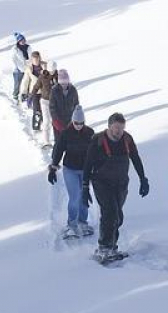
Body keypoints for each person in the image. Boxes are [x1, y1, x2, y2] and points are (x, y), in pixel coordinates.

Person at [82, 112, 149, 257]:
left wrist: (143, 179)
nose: (118, 131)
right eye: (116, 128)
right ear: (109, 126)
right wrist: (85, 187)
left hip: (121, 183)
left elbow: (135, 159)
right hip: (102, 182)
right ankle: (104, 247)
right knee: (110, 212)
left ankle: (112, 246)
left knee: (118, 216)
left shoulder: (127, 139)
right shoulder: (98, 140)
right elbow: (88, 164)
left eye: (121, 128)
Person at [48, 105, 94, 238]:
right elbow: (58, 151)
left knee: (84, 196)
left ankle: (83, 222)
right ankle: (71, 224)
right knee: (75, 197)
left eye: (81, 123)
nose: (79, 125)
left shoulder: (90, 133)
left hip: (85, 170)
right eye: (76, 123)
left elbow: (95, 152)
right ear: (72, 121)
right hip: (70, 169)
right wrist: (53, 168)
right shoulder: (66, 133)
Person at [32, 61, 58, 145]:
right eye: (50, 71)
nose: (52, 72)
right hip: (45, 101)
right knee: (46, 121)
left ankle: (58, 140)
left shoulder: (59, 76)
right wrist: (32, 96)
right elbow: (36, 87)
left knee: (56, 121)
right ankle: (46, 141)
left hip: (56, 102)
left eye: (53, 71)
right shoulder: (43, 76)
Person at [49, 69, 79, 140]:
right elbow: (52, 107)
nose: (64, 85)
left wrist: (76, 117)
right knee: (59, 141)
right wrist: (55, 120)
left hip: (70, 120)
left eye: (65, 83)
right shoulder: (54, 90)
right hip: (58, 121)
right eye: (62, 83)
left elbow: (76, 104)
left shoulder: (73, 90)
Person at [20, 51, 46, 130]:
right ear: (31, 59)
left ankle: (43, 124)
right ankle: (36, 127)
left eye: (37, 59)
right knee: (36, 110)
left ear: (39, 58)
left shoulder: (45, 66)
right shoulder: (29, 69)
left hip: (45, 92)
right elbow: (25, 81)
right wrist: (23, 92)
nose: (36, 61)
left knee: (44, 109)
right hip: (34, 92)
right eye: (34, 59)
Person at [11, 33, 31, 101]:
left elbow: (30, 57)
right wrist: (20, 68)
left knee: (27, 83)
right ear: (18, 41)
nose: (23, 41)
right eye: (21, 40)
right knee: (18, 83)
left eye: (23, 39)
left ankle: (25, 95)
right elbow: (14, 60)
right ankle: (15, 94)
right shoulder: (15, 49)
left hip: (27, 68)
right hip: (18, 69)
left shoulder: (28, 47)